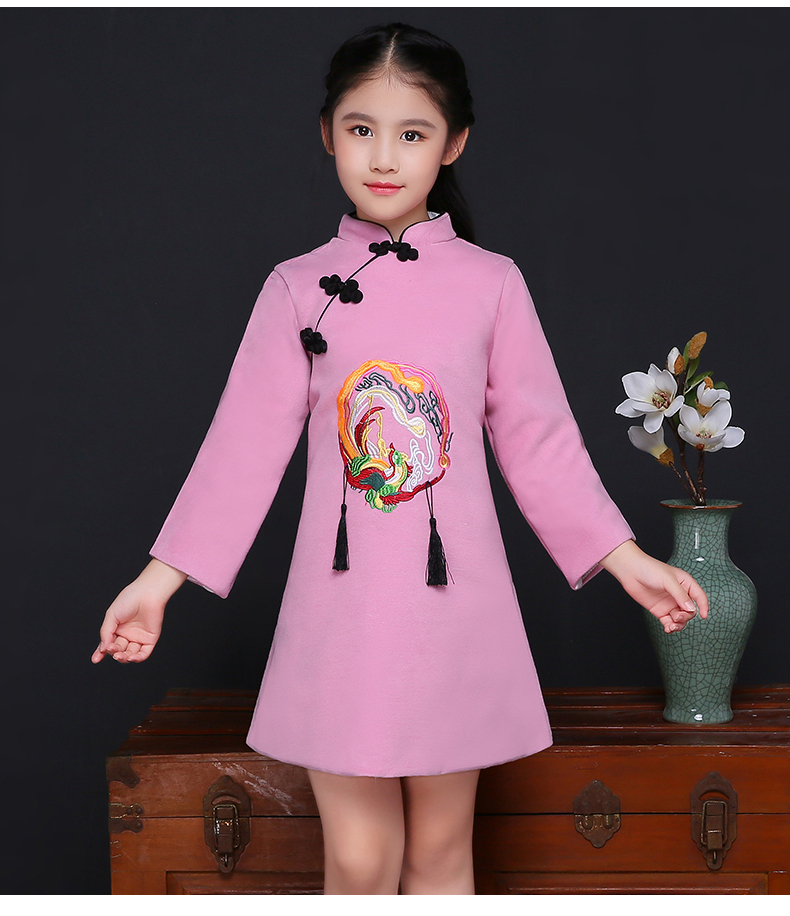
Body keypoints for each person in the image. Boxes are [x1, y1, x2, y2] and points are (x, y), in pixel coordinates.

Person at [91, 22, 708, 895]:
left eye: (412, 133)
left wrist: (627, 562)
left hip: (458, 612)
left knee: (442, 857)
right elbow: (241, 446)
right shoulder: (296, 288)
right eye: (361, 128)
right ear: (327, 133)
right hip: (340, 613)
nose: (383, 157)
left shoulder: (493, 283)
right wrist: (158, 583)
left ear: (454, 143)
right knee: (360, 860)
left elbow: (539, 443)